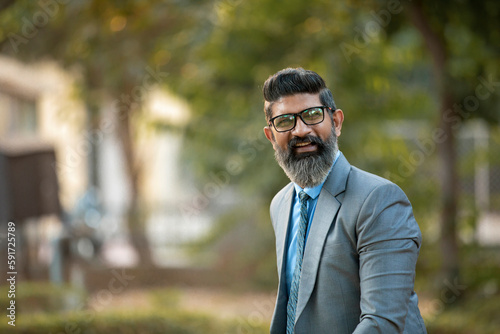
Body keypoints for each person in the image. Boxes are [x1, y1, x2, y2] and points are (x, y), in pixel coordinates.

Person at [262, 67, 427, 334]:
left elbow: (382, 323)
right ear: (271, 137)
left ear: (336, 122)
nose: (300, 130)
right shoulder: (280, 204)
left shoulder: (378, 200)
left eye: (312, 115)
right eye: (285, 121)